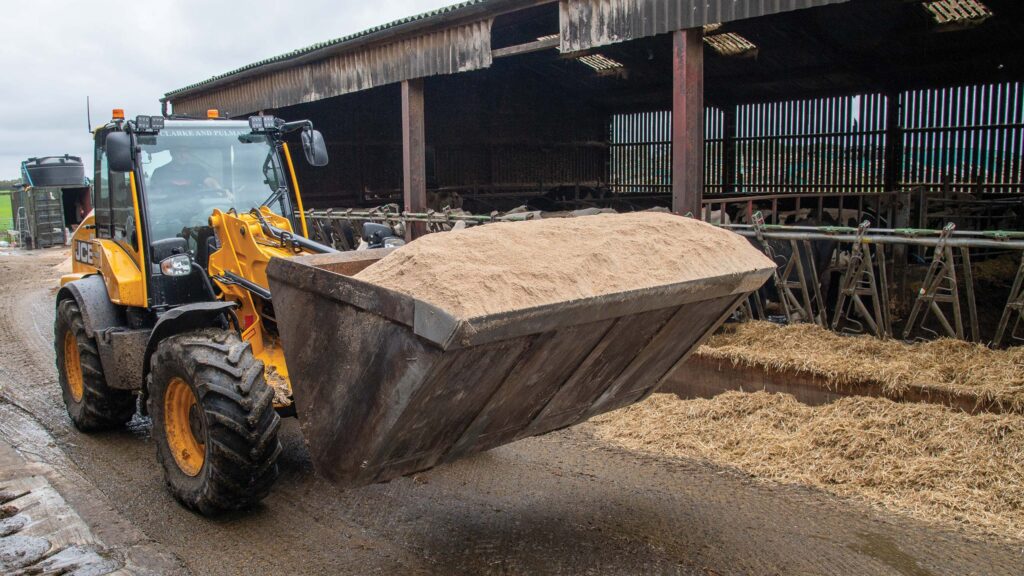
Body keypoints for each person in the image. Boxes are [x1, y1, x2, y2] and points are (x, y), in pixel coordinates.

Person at [149, 145, 221, 193]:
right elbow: (155, 194)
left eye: (186, 152)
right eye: (179, 152)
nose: (183, 156)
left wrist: (221, 191)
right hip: (166, 211)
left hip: (195, 210)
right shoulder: (159, 172)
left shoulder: (197, 170)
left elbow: (210, 182)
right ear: (172, 153)